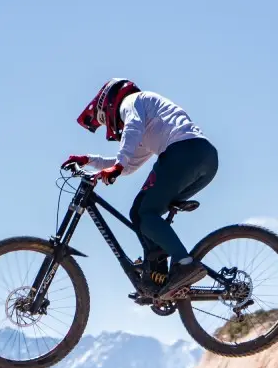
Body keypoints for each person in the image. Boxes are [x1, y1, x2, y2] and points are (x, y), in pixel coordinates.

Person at [63, 78, 218, 298]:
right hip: (205, 159)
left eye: (106, 121)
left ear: (108, 104)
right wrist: (90, 160)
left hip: (184, 153)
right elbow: (129, 165)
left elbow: (130, 132)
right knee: (139, 211)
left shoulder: (133, 101)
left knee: (146, 212)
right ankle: (158, 273)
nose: (110, 127)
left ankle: (184, 264)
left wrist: (117, 165)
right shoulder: (149, 124)